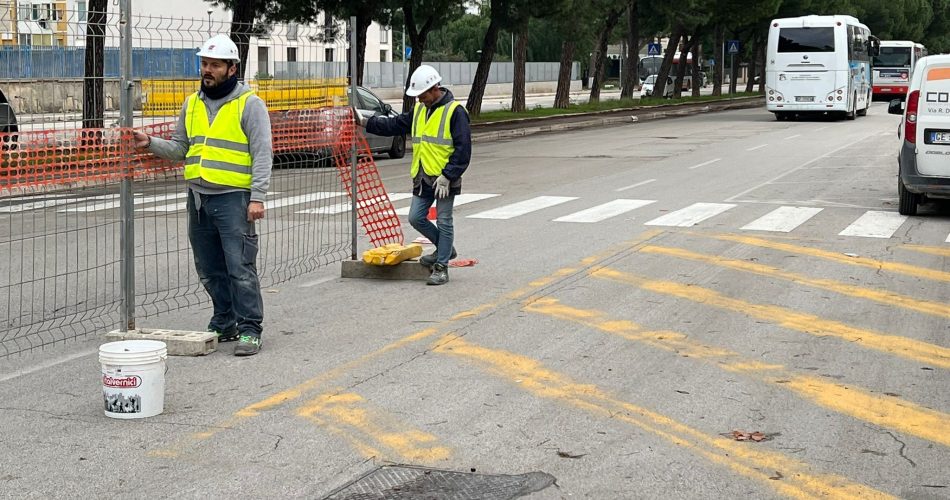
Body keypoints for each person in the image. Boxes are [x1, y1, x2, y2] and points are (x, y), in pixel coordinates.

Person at [132, 34, 273, 356]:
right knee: (209, 268)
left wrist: (257, 196)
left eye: (215, 65)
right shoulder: (192, 104)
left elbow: (263, 153)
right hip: (198, 198)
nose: (207, 70)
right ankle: (225, 321)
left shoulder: (249, 104)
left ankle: (250, 329)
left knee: (240, 267)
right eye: (204, 64)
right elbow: (180, 148)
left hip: (233, 198)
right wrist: (150, 143)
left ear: (232, 68)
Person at [354, 64, 471, 285]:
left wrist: (448, 175)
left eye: (422, 95)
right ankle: (445, 249)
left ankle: (441, 267)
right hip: (423, 176)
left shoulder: (455, 112)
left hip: (444, 179)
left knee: (444, 221)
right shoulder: (419, 110)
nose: (419, 99)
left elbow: (463, 150)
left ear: (435, 89)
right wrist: (365, 122)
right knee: (415, 217)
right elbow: (394, 124)